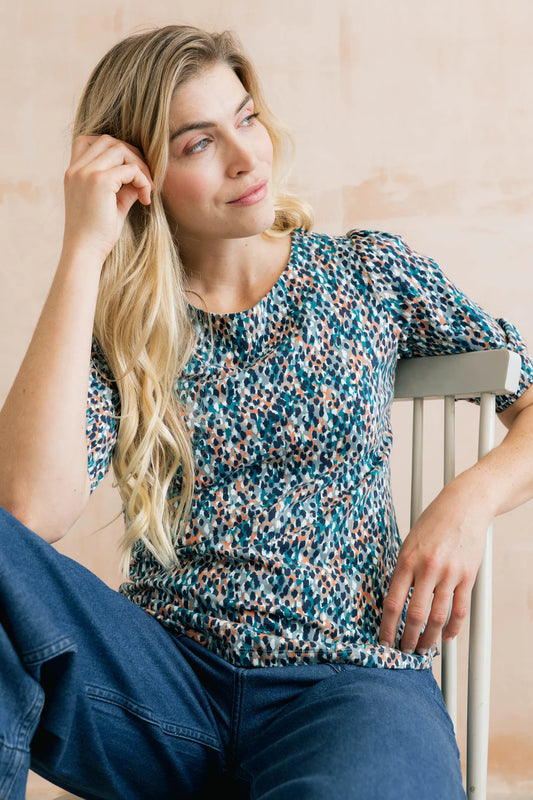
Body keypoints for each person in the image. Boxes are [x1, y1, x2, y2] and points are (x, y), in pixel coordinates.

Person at [0, 24, 532, 800]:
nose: (246, 157)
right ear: (138, 175)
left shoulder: (365, 273)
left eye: (245, 118)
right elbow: (25, 514)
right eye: (196, 144)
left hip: (349, 686)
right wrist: (85, 244)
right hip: (159, 689)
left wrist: (467, 501)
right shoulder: (122, 331)